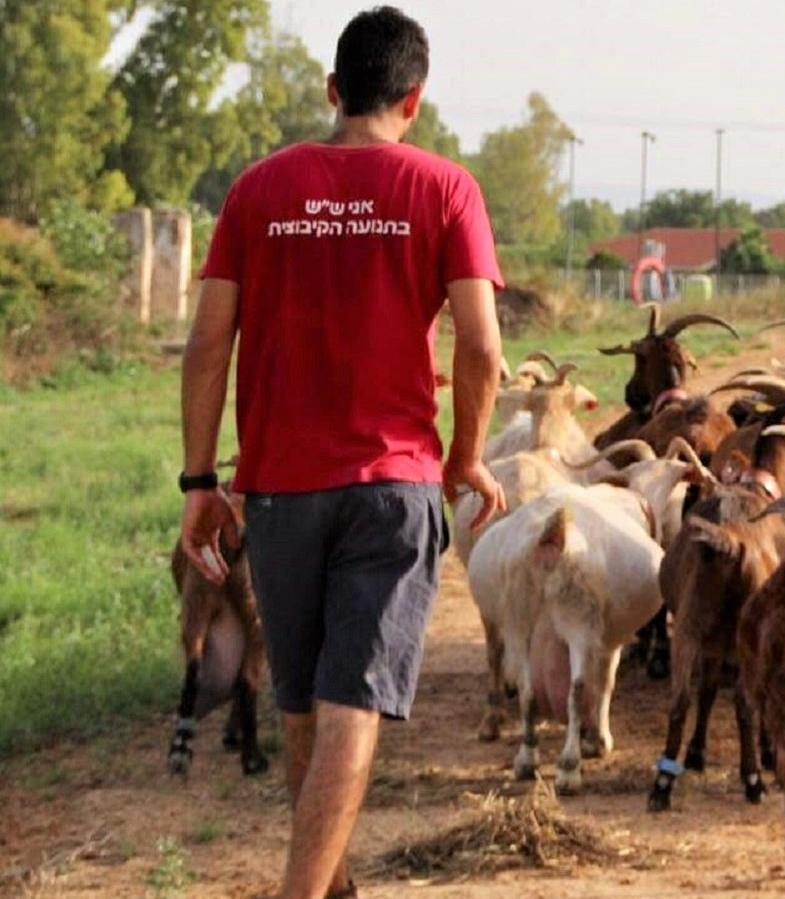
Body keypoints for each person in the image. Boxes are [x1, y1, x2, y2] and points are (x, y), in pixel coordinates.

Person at [177, 7, 507, 898]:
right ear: (415, 99)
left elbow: (208, 343)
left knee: (299, 706)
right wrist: (466, 455)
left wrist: (199, 480)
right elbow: (480, 345)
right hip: (391, 486)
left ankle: (330, 887)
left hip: (277, 489)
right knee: (351, 703)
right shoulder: (446, 189)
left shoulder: (259, 189)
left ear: (332, 90)